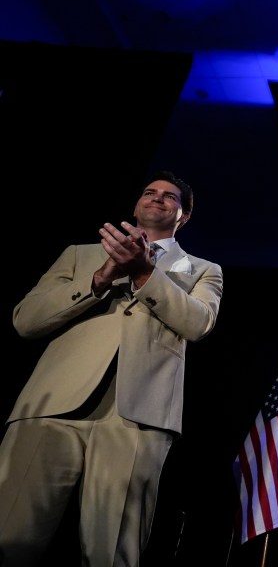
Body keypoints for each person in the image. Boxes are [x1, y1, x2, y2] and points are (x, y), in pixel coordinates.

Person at [0, 170, 223, 566]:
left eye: (170, 197)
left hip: (138, 418)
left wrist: (143, 272)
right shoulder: (79, 254)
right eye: (149, 192)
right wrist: (101, 278)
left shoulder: (202, 269)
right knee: (10, 537)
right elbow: (26, 321)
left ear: (183, 215)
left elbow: (198, 323)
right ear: (136, 205)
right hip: (50, 409)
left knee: (112, 553)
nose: (157, 198)